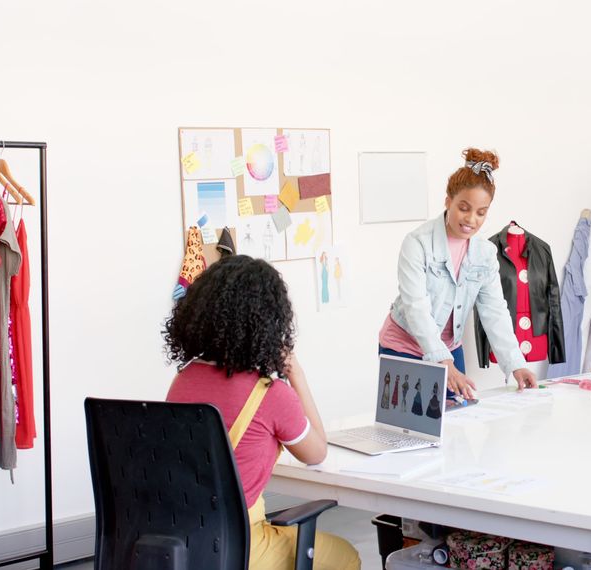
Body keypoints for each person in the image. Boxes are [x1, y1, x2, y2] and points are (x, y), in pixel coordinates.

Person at [164, 255, 360, 570]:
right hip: (242, 546)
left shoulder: (182, 380)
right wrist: (296, 374)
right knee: (345, 555)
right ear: (269, 323)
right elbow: (316, 453)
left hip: (183, 542)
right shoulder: (270, 394)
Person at [378, 148, 538, 399]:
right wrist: (442, 361)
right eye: (464, 208)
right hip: (404, 347)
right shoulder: (417, 243)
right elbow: (416, 307)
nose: (471, 219)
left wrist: (515, 363)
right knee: (412, 431)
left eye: (481, 212)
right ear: (448, 201)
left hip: (450, 350)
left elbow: (495, 311)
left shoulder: (485, 254)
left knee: (456, 423)